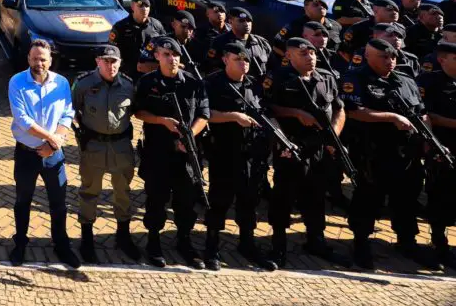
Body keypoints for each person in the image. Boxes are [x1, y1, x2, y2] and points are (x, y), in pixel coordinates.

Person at [340, 37, 429, 269]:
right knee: (369, 197)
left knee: (407, 197)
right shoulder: (355, 78)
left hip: (406, 150)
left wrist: (428, 137)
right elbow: (354, 112)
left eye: (392, 57)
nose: (390, 61)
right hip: (373, 149)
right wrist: (391, 117)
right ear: (368, 56)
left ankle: (406, 240)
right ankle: (361, 242)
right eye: (383, 57)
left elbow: (421, 112)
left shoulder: (406, 80)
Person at [265, 37, 347, 267]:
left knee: (316, 194)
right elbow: (267, 108)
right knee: (284, 195)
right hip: (292, 146)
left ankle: (316, 240)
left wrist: (334, 136)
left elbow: (339, 109)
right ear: (289, 56)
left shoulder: (326, 78)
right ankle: (278, 245)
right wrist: (295, 113)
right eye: (303, 53)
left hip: (320, 147)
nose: (310, 57)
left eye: (312, 53)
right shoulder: (278, 78)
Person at [133, 36, 210, 269]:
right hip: (157, 152)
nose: (172, 59)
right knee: (156, 198)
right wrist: (161, 121)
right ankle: (153, 242)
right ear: (157, 56)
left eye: (175, 55)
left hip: (186, 154)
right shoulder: (147, 82)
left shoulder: (194, 83)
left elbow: (204, 115)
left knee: (186, 200)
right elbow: (139, 112)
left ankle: (184, 241)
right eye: (166, 55)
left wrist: (190, 137)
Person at [201, 42, 278, 271]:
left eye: (246, 60)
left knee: (249, 200)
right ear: (225, 59)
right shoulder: (213, 83)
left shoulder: (255, 85)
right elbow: (204, 114)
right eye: (238, 59)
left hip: (251, 154)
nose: (243, 63)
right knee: (219, 199)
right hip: (224, 151)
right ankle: (212, 245)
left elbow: (266, 112)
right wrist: (233, 116)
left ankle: (247, 243)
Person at [8, 39, 79, 268]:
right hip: (26, 153)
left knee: (58, 203)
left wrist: (54, 142)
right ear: (28, 59)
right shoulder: (16, 82)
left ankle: (61, 245)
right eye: (35, 58)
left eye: (43, 59)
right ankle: (20, 243)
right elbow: (22, 119)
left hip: (53, 154)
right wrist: (52, 138)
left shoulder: (61, 83)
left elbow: (67, 114)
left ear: (50, 61)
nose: (39, 63)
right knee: (22, 201)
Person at [71, 43, 140, 263]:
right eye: (106, 61)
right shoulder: (83, 84)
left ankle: (123, 236)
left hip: (121, 146)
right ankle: (87, 240)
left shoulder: (129, 86)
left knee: (123, 192)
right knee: (89, 192)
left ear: (120, 63)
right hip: (94, 146)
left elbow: (136, 112)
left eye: (114, 62)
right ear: (97, 62)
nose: (110, 66)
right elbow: (72, 111)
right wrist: (79, 135)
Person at [419, 40, 456, 268]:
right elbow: (427, 115)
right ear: (442, 60)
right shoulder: (429, 82)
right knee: (440, 196)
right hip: (443, 149)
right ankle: (439, 242)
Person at [110, 0, 166, 77]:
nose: (144, 9)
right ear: (132, 6)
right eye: (140, 6)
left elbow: (165, 47)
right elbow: (112, 52)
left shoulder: (156, 25)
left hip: (153, 73)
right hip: (128, 73)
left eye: (147, 6)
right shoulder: (120, 27)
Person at [211, 7, 274, 78]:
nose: (246, 24)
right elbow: (212, 69)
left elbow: (273, 67)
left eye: (248, 21)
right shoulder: (220, 42)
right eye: (241, 21)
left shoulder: (262, 43)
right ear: (230, 22)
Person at [276, 0, 342, 57]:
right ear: (305, 8)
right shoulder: (295, 26)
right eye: (316, 5)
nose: (321, 7)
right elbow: (277, 46)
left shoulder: (336, 26)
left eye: (323, 5)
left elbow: (341, 50)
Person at [340, 0, 400, 65]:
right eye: (389, 10)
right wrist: (357, 66)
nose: (394, 13)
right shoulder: (359, 28)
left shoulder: (401, 29)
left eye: (396, 10)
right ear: (376, 11)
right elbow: (343, 51)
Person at [187, 3, 228, 69]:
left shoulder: (232, 30)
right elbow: (196, 55)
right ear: (207, 14)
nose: (220, 14)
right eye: (216, 12)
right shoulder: (200, 32)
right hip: (209, 68)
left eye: (222, 11)